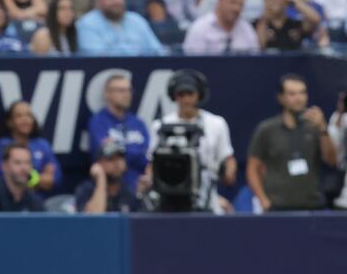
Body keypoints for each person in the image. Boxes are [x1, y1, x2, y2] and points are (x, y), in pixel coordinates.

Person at [247, 75, 336, 212]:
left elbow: (331, 160)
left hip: (312, 207)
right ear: (280, 98)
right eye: (292, 94)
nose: (299, 98)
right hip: (278, 207)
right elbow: (252, 168)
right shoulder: (267, 129)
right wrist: (263, 200)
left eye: (302, 92)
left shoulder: (315, 126)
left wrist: (323, 129)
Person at [149, 70, 234, 213]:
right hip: (168, 196)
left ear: (199, 95)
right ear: (173, 96)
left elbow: (227, 159)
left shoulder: (216, 123)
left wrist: (228, 173)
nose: (186, 99)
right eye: (181, 95)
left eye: (190, 94)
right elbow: (152, 163)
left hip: (205, 196)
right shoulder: (160, 126)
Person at [77, 0, 167, 56]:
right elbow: (96, 58)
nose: (116, 1)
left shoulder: (137, 20)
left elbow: (158, 52)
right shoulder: (87, 23)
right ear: (98, 1)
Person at [0, 101, 61, 192]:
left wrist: (27, 177)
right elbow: (11, 180)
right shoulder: (2, 145)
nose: (25, 120)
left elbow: (56, 179)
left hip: (41, 202)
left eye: (29, 115)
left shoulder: (43, 144)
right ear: (10, 122)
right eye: (19, 116)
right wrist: (39, 178)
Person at [182, 0, 259, 55]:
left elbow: (255, 62)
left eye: (240, 4)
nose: (236, 8)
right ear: (220, 0)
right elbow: (192, 65)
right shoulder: (199, 28)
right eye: (232, 2)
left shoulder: (247, 29)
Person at [0, 144, 46, 213]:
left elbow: (44, 223)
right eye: (17, 163)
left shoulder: (34, 199)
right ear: (4, 166)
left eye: (27, 163)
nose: (24, 168)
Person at [75, 138, 140, 213]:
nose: (117, 164)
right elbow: (93, 219)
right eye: (111, 159)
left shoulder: (128, 192)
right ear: (98, 164)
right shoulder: (86, 190)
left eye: (120, 158)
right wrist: (101, 178)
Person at [255, 0, 321, 51]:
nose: (275, 0)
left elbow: (315, 19)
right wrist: (266, 13)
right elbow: (261, 44)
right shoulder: (258, 24)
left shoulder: (295, 25)